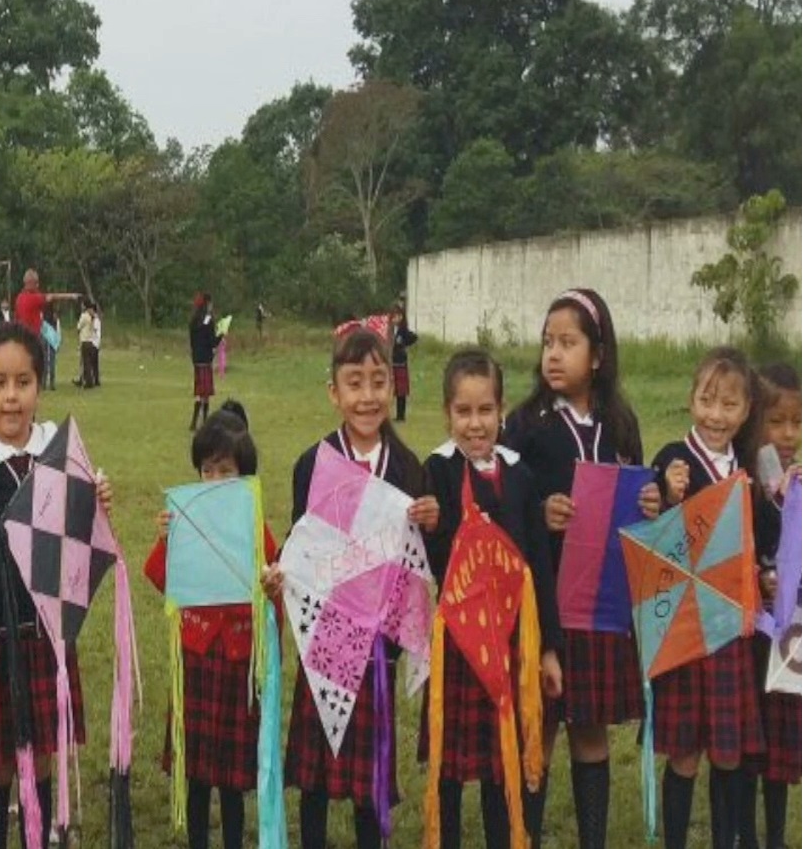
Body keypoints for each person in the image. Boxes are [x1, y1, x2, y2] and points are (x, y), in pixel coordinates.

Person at [0, 323, 113, 849]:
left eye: (23, 382)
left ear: (38, 385)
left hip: (48, 633)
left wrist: (98, 499)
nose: (11, 396)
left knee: (45, 756)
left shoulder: (57, 450)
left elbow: (80, 530)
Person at [264, 328, 437, 849]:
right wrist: (279, 574)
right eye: (354, 382)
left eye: (378, 382)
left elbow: (418, 563)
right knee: (315, 778)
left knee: (369, 778)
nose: (367, 396)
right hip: (326, 636)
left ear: (393, 386)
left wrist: (433, 520)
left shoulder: (409, 468)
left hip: (378, 645)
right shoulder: (313, 463)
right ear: (334, 392)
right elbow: (302, 545)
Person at [502, 289, 660, 849]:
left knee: (590, 729)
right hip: (546, 600)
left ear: (598, 355)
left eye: (568, 342)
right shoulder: (525, 425)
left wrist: (650, 504)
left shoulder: (620, 425)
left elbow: (638, 503)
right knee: (540, 722)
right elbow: (506, 501)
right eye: (548, 341)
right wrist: (541, 511)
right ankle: (527, 835)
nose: (553, 353)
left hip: (602, 605)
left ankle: (593, 838)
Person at [421, 348, 564, 849]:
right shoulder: (437, 470)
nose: (475, 423)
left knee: (501, 764)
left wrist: (548, 648)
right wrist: (432, 526)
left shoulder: (520, 476)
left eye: (485, 410)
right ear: (447, 413)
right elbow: (435, 564)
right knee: (450, 766)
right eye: (464, 411)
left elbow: (538, 566)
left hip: (510, 642)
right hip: (459, 643)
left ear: (501, 411)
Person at [146, 402, 279, 849]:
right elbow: (161, 577)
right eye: (208, 470)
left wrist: (271, 583)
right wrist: (167, 538)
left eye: (226, 471)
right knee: (197, 773)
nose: (215, 480)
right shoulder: (187, 521)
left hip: (239, 660)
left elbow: (273, 584)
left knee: (233, 778)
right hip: (197, 656)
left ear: (244, 475)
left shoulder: (254, 525)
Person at [649, 347, 768, 849]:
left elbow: (763, 535)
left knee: (728, 751)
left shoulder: (749, 469)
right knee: (684, 754)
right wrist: (668, 494)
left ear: (745, 411)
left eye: (729, 404)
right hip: (686, 628)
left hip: (732, 630)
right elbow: (652, 533)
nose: (715, 415)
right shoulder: (673, 460)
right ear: (691, 399)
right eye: (706, 400)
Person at [741, 362, 800, 849]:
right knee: (747, 740)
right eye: (776, 421)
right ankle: (743, 833)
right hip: (749, 630)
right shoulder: (744, 481)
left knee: (779, 744)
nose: (787, 434)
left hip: (786, 636)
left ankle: (776, 836)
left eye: (797, 422)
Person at [189, 294, 223, 430]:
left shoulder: (193, 321)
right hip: (205, 359)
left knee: (199, 392)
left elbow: (192, 341)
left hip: (196, 359)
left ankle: (194, 422)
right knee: (206, 393)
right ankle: (204, 420)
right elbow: (212, 342)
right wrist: (221, 334)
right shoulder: (208, 320)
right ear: (207, 304)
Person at [13, 268, 81, 335]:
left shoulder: (19, 298)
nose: (38, 285)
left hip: (21, 335)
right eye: (36, 283)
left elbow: (16, 318)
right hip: (33, 336)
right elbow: (52, 297)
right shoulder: (35, 298)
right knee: (51, 339)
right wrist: (71, 296)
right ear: (32, 284)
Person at [390, 304, 418, 422]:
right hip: (391, 362)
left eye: (397, 316)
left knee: (401, 390)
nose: (395, 319)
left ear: (401, 317)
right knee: (392, 389)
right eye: (393, 316)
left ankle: (401, 415)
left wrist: (403, 344)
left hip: (400, 362)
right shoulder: (390, 330)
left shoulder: (403, 330)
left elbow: (414, 337)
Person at [74, 302, 100, 389]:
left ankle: (88, 381)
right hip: (90, 341)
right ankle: (87, 380)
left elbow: (79, 327)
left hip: (85, 341)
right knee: (88, 362)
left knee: (86, 363)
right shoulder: (93, 317)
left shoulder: (84, 316)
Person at [40, 305, 61, 391]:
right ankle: (52, 383)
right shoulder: (55, 320)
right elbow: (58, 331)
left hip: (44, 336)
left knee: (44, 360)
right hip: (52, 337)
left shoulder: (43, 317)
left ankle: (43, 383)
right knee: (52, 361)